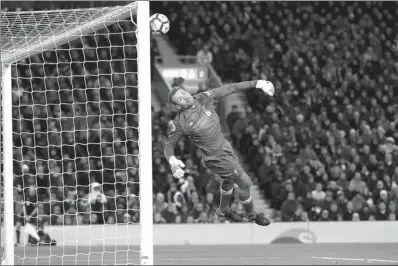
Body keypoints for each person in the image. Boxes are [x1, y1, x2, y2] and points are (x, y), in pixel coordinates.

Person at [164, 80, 274, 226]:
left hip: (225, 146)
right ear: (178, 106)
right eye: (180, 99)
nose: (185, 97)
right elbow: (169, 145)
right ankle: (251, 214)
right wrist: (172, 161)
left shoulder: (204, 97)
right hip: (215, 158)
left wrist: (258, 83)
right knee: (245, 182)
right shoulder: (181, 122)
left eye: (183, 93)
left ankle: (223, 209)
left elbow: (231, 87)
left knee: (228, 180)